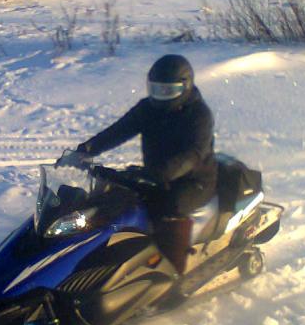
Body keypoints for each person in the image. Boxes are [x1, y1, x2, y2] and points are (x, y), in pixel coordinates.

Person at [61, 54, 216, 274]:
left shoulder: (199, 115)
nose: (161, 96)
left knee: (169, 206)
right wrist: (86, 150)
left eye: (168, 91)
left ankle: (174, 271)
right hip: (155, 175)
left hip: (193, 180)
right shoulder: (147, 108)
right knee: (115, 200)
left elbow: (194, 154)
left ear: (186, 87)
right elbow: (119, 130)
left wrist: (162, 172)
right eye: (156, 89)